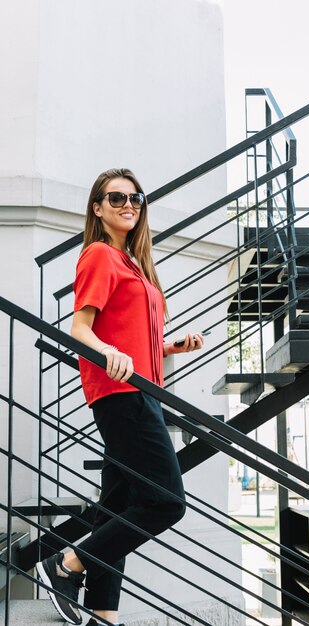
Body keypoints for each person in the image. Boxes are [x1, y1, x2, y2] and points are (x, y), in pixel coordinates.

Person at [36, 168, 204, 626]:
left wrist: (168, 346)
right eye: (116, 198)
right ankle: (67, 564)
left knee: (118, 504)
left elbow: (127, 333)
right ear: (97, 207)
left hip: (143, 390)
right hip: (122, 394)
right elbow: (81, 329)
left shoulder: (134, 263)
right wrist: (109, 351)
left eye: (135, 198)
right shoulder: (99, 255)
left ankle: (103, 615)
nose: (128, 204)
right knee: (165, 502)